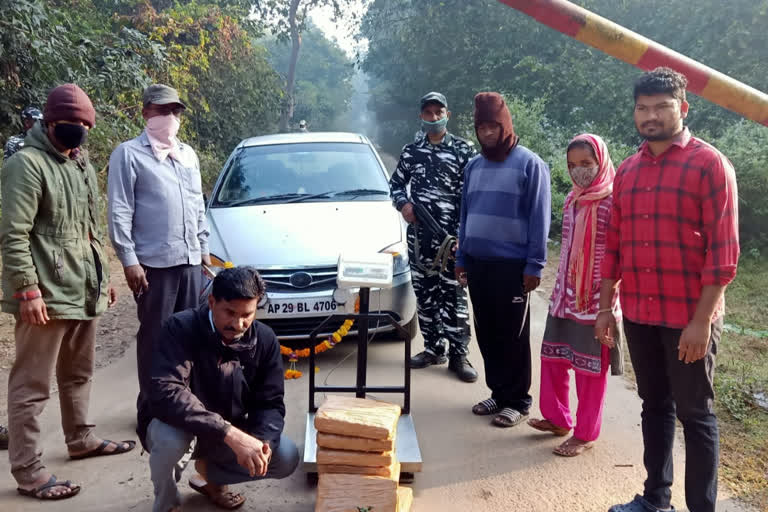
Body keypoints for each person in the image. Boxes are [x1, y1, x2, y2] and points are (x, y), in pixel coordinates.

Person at [598, 68, 740, 512]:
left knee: (695, 416)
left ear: (683, 107)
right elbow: (614, 246)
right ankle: (655, 499)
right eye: (643, 108)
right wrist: (607, 308)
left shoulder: (709, 164)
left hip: (688, 318)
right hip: (640, 313)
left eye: (662, 106)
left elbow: (723, 254)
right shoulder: (628, 170)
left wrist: (700, 323)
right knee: (654, 406)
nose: (651, 115)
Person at [1, 84, 134, 501]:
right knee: (32, 386)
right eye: (70, 125)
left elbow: (86, 228)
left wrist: (102, 276)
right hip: (44, 295)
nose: (78, 133)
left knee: (78, 373)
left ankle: (79, 439)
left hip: (82, 288)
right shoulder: (26, 164)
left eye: (84, 126)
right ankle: (28, 470)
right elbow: (12, 233)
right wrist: (27, 290)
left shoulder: (78, 163)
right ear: (48, 121)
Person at [139, 266, 299, 512]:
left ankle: (212, 480)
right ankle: (167, 503)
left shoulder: (264, 340)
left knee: (285, 457)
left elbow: (270, 402)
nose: (238, 323)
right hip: (180, 426)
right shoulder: (180, 328)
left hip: (226, 430)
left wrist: (261, 443)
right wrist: (230, 434)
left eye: (247, 314)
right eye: (230, 312)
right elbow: (167, 392)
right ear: (212, 302)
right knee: (171, 441)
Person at [108, 84, 210, 406]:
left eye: (175, 111)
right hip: (153, 264)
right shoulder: (129, 154)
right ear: (146, 113)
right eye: (162, 110)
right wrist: (129, 260)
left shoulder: (187, 155)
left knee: (191, 334)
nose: (170, 117)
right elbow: (120, 209)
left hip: (191, 260)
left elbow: (197, 206)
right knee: (156, 337)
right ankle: (152, 407)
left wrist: (203, 249)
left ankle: (185, 403)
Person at [456, 92, 551, 427]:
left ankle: (518, 400)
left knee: (513, 335)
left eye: (493, 126)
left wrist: (534, 265)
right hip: (478, 265)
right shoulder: (474, 166)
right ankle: (498, 391)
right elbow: (465, 215)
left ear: (505, 125)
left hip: (512, 268)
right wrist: (461, 256)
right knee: (487, 332)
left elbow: (540, 219)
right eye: (481, 127)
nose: (487, 133)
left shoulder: (529, 164)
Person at [527, 133, 623, 456]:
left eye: (586, 163)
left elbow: (619, 255)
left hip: (597, 302)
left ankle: (585, 434)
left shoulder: (614, 200)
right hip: (565, 297)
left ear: (601, 161)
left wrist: (606, 307)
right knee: (552, 359)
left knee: (589, 370)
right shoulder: (572, 199)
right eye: (572, 164)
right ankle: (557, 418)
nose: (579, 170)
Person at [390, 91, 478, 382]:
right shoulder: (411, 151)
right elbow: (396, 185)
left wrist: (464, 234)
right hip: (420, 239)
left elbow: (474, 194)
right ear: (421, 116)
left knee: (453, 294)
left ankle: (459, 354)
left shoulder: (464, 151)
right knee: (425, 294)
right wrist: (404, 205)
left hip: (452, 239)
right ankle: (432, 348)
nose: (433, 117)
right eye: (427, 113)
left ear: (447, 115)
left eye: (438, 112)